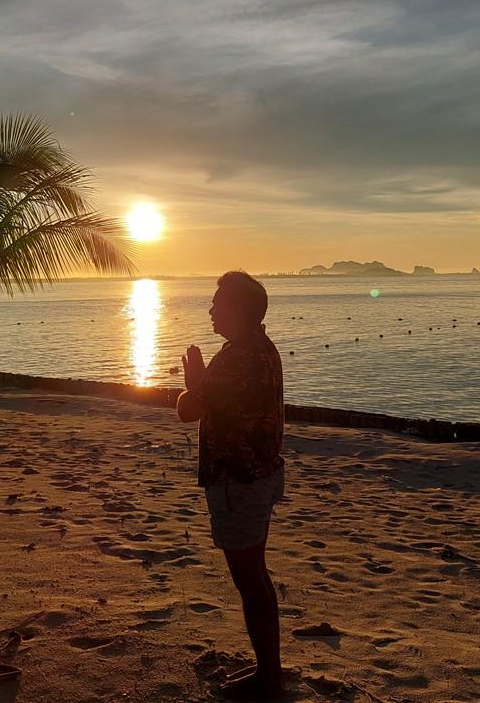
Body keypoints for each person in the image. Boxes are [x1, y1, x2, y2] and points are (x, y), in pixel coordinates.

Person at [177, 271, 286, 701]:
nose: (210, 309)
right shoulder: (260, 349)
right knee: (254, 573)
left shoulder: (239, 358)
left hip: (241, 480)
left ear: (239, 310)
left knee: (249, 577)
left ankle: (269, 677)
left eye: (218, 302)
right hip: (259, 474)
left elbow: (188, 410)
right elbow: (199, 403)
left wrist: (196, 384)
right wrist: (199, 386)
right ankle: (269, 671)